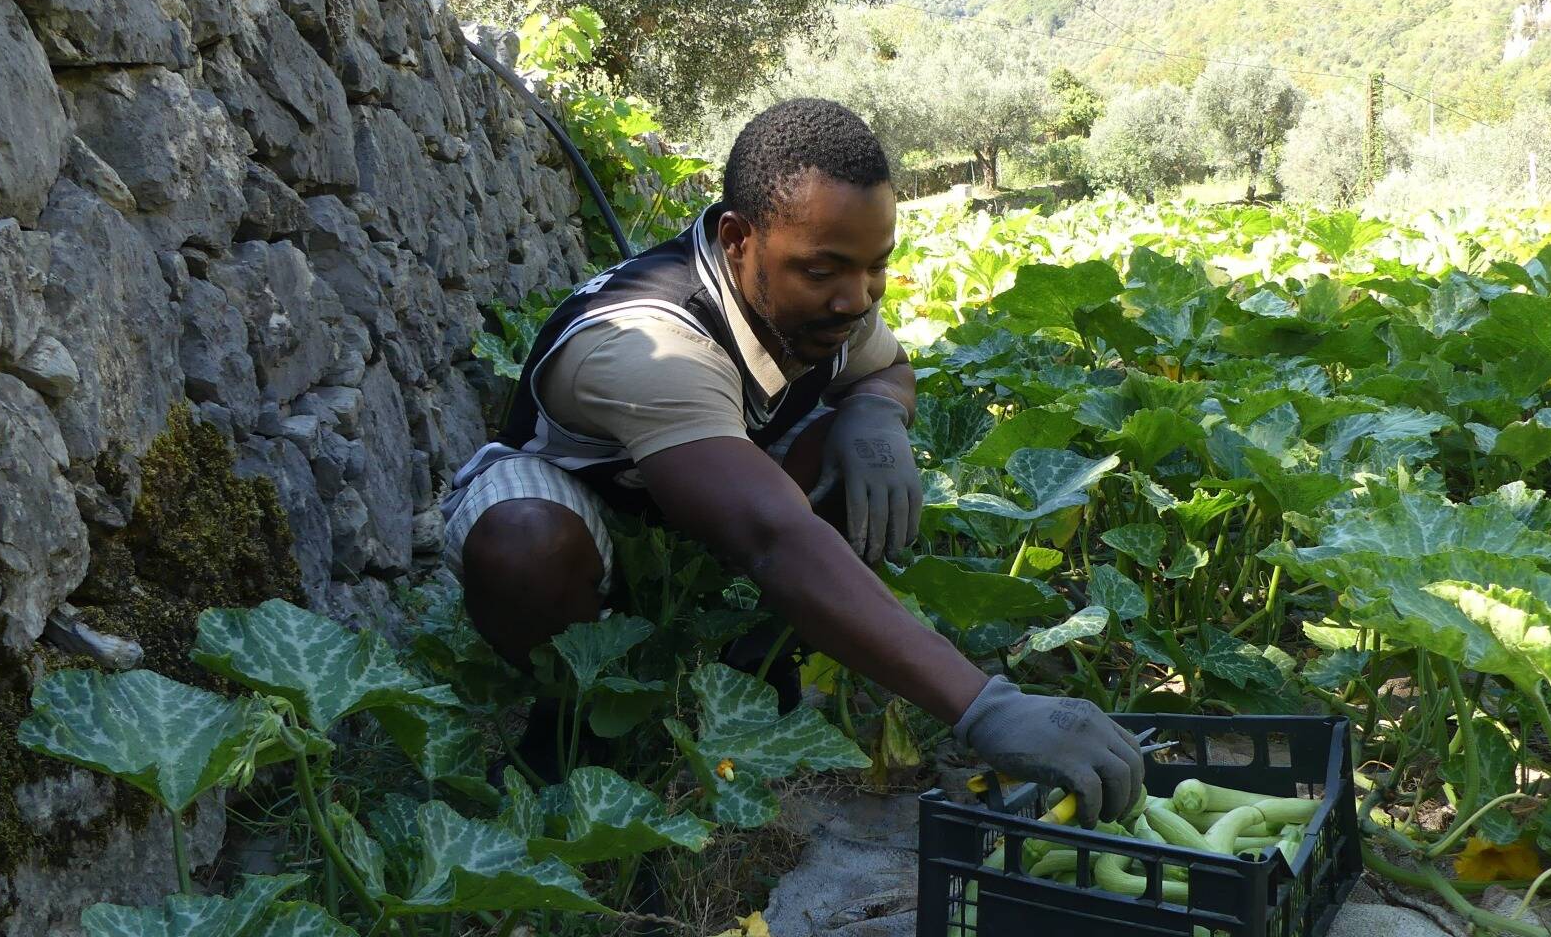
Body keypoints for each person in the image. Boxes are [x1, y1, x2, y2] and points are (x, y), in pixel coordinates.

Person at [442, 97, 1144, 824]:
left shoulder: (821, 296)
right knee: (522, 543)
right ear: (738, 238)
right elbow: (770, 535)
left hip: (693, 506)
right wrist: (984, 706)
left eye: (877, 267)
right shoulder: (646, 344)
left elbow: (887, 368)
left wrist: (874, 414)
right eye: (826, 270)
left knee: (856, 446)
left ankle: (754, 677)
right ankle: (571, 727)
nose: (856, 299)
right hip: (584, 506)